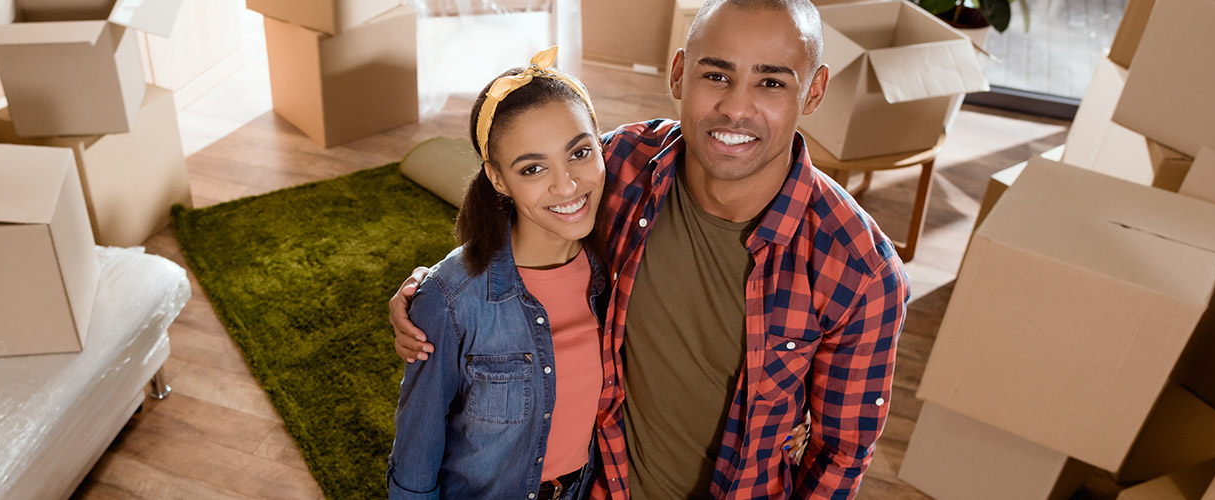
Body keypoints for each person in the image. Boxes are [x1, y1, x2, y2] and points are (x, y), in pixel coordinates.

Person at [389, 0, 910, 498]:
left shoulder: (862, 272)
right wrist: (430, 294)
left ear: (814, 92)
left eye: (771, 81)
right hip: (596, 485)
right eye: (716, 75)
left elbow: (840, 455)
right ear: (679, 73)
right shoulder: (623, 164)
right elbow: (531, 198)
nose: (735, 107)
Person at [386, 47, 609, 500]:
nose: (567, 185)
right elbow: (416, 452)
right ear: (498, 178)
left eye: (580, 152)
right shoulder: (451, 299)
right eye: (533, 167)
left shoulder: (617, 266)